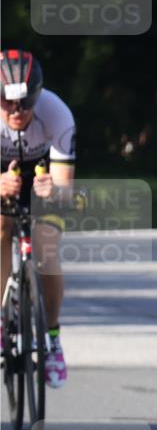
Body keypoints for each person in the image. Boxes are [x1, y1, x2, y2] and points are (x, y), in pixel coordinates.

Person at [0, 49, 76, 388]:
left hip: (45, 177)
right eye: (7, 103)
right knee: (1, 228)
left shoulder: (57, 113)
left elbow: (66, 189)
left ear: (38, 95)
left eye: (26, 103)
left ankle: (53, 339)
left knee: (46, 250)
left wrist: (53, 190)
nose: (17, 112)